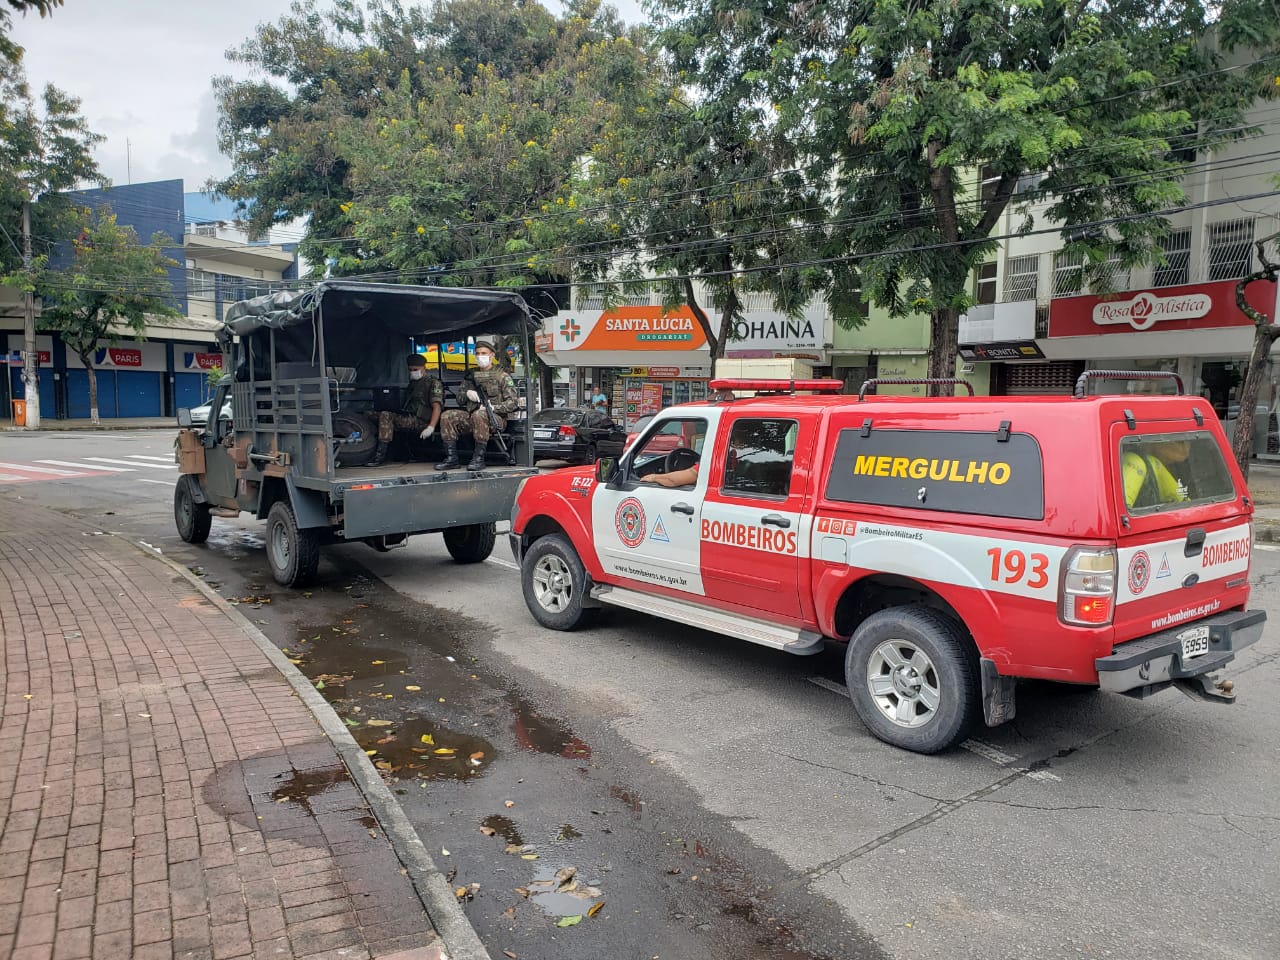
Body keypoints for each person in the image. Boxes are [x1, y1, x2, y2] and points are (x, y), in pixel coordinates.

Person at [436, 341, 519, 471]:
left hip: (495, 419)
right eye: (478, 353)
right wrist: (467, 393)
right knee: (447, 416)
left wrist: (493, 408)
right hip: (472, 416)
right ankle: (452, 458)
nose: (480, 356)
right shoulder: (471, 376)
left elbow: (513, 403)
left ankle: (478, 459)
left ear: (492, 355)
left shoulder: (502, 376)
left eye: (484, 353)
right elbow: (460, 400)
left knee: (479, 414)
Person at [369, 353, 443, 466]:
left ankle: (380, 456)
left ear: (424, 368)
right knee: (370, 414)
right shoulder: (413, 384)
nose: (413, 372)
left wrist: (431, 427)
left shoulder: (433, 383)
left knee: (386, 415)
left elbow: (437, 407)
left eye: (416, 369)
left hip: (421, 421)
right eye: (410, 369)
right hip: (408, 417)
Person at [1122, 439, 1190, 509]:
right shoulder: (1135, 462)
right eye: (1169, 460)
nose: (1170, 466)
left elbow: (1185, 504)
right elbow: (1120, 511)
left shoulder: (1155, 464)